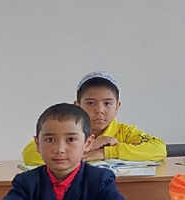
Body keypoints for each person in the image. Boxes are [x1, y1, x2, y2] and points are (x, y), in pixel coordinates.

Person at [0, 103, 134, 200]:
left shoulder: (99, 178)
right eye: (50, 140)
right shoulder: (27, 182)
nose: (59, 149)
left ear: (88, 143)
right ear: (37, 144)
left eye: (71, 139)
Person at [22, 71, 166, 166]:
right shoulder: (65, 130)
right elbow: (29, 154)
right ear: (78, 105)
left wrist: (105, 152)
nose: (99, 110)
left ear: (117, 107)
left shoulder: (125, 132)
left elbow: (159, 148)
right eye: (91, 103)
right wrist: (89, 147)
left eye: (107, 103)